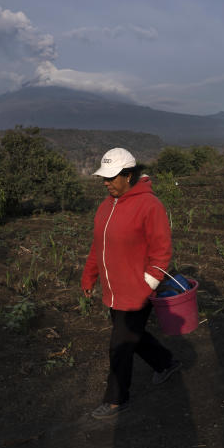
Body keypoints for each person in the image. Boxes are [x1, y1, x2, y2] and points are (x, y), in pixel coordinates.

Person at [81, 148, 182, 419]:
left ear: (129, 175)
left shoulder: (150, 205)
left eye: (112, 177)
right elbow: (97, 246)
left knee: (120, 345)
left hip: (136, 292)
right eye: (104, 177)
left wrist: (146, 284)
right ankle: (165, 363)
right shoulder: (106, 206)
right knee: (131, 336)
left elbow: (162, 251)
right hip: (114, 290)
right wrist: (89, 275)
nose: (106, 182)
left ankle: (115, 399)